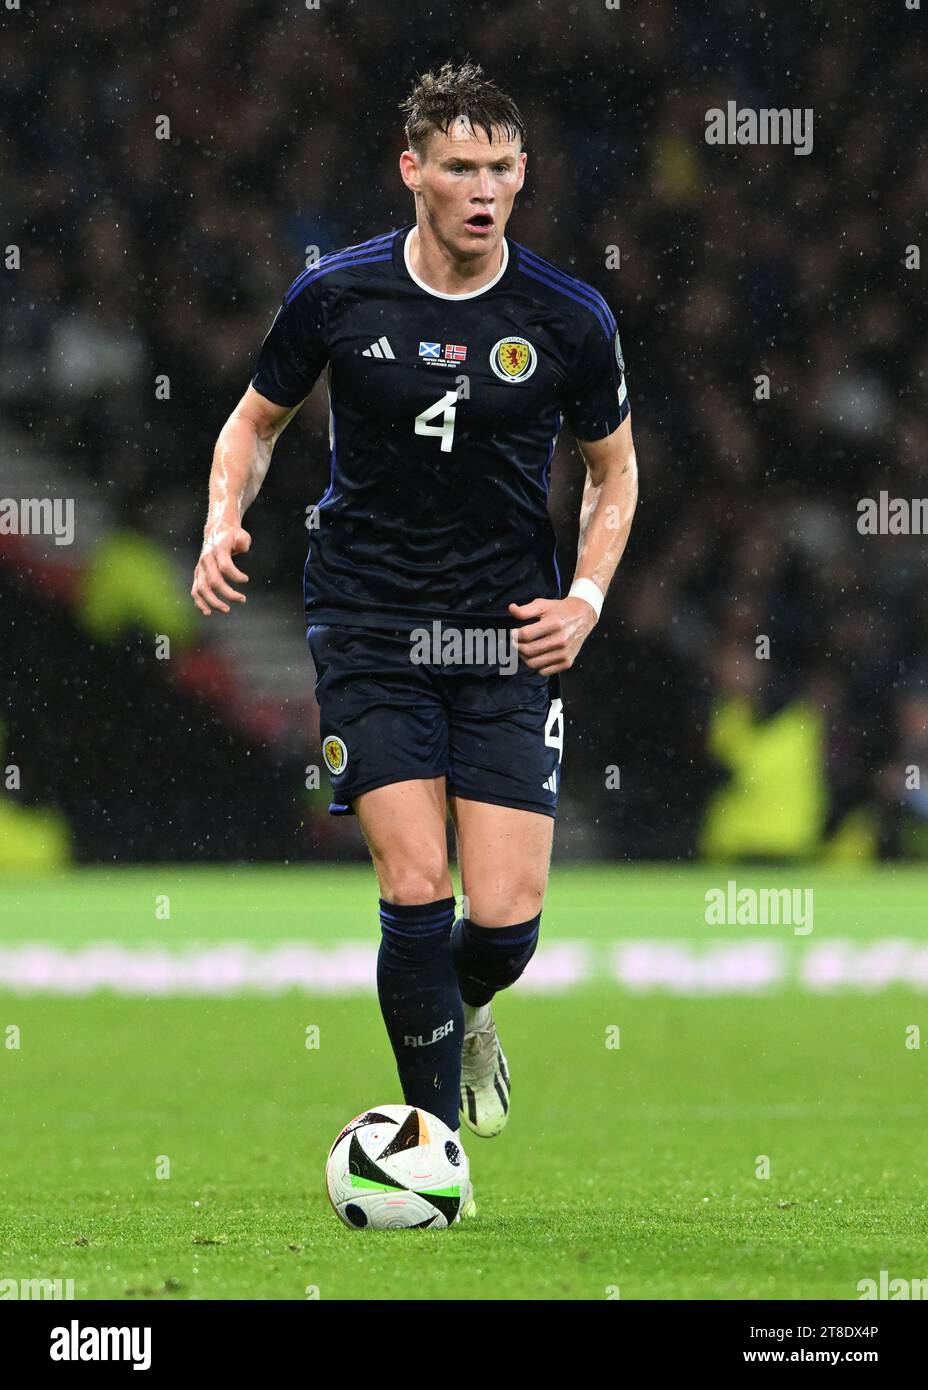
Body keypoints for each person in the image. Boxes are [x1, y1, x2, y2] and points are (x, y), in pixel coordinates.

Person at [191, 60, 638, 1217]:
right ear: (413, 171)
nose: (482, 188)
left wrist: (583, 599)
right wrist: (220, 519)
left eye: (500, 167)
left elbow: (614, 470)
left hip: (504, 631)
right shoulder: (336, 295)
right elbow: (255, 422)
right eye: (459, 167)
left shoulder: (567, 317)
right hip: (371, 623)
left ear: (523, 173)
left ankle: (472, 1006)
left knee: (503, 918)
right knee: (414, 879)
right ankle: (433, 1145)